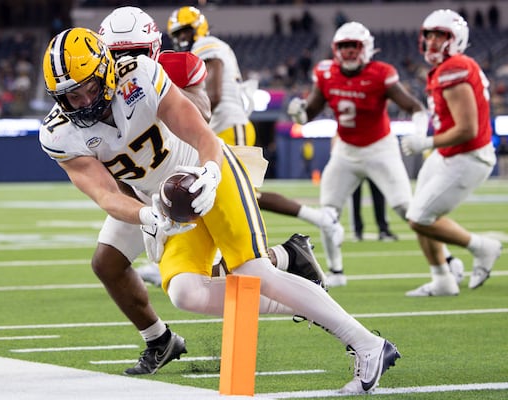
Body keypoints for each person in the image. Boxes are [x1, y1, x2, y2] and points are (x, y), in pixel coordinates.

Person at [40, 27, 400, 394]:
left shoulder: (141, 76)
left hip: (205, 170)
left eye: (89, 87)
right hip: (166, 203)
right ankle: (307, 298)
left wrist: (211, 172)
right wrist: (145, 216)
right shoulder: (58, 133)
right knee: (185, 293)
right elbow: (104, 195)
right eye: (70, 96)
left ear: (107, 71)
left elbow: (200, 133)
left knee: (253, 269)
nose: (84, 101)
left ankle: (368, 344)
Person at [98, 6, 327, 289]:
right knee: (206, 224)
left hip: (223, 129)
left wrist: (162, 91)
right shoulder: (103, 88)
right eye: (178, 33)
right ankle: (282, 255)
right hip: (198, 141)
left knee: (237, 209)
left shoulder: (201, 50)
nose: (127, 61)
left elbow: (209, 103)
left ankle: (289, 251)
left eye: (187, 31)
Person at [287, 21, 464, 287]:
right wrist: (299, 113)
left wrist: (418, 134)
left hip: (380, 149)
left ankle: (448, 259)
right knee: (327, 212)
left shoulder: (381, 73)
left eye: (353, 46)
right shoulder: (325, 72)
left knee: (409, 209)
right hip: (346, 151)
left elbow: (415, 107)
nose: (347, 52)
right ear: (335, 49)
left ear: (366, 48)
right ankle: (336, 272)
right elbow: (310, 111)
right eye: (343, 46)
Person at [166, 6, 344, 252]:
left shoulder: (206, 45)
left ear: (199, 28)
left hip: (227, 125)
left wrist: (187, 124)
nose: (181, 39)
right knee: (208, 195)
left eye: (185, 32)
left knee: (243, 196)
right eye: (178, 34)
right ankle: (192, 259)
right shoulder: (200, 49)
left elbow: (213, 96)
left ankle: (318, 222)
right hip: (219, 129)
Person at [400, 9, 502, 296]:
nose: (432, 41)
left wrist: (427, 142)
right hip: (449, 154)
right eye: (429, 35)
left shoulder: (454, 68)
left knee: (420, 218)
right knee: (418, 214)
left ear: (455, 38)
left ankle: (482, 247)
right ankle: (443, 280)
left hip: (468, 156)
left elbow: (468, 128)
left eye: (440, 35)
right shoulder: (449, 67)